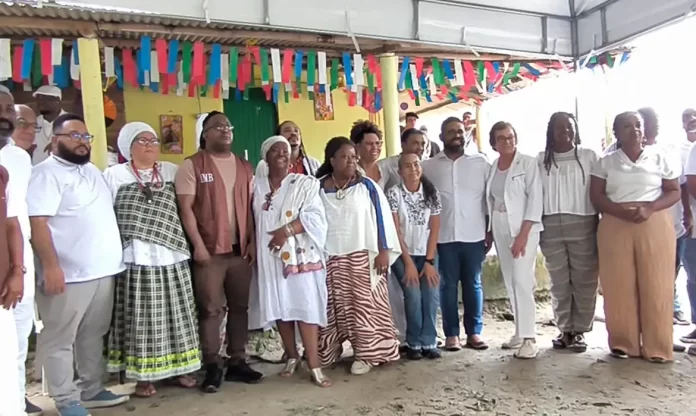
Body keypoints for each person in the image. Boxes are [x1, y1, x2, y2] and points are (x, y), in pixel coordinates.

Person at [27, 113, 129, 416]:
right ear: (55, 140)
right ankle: (65, 399)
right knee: (59, 338)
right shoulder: (45, 174)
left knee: (93, 334)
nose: (82, 142)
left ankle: (91, 389)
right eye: (74, 136)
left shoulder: (92, 171)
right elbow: (38, 223)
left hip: (102, 271)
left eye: (86, 137)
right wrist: (51, 267)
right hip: (68, 275)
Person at [104, 122, 201, 397]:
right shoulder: (114, 175)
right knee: (142, 316)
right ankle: (144, 376)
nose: (150, 145)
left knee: (178, 313)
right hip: (137, 257)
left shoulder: (171, 171)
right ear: (128, 146)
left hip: (172, 254)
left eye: (154, 140)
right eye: (143, 141)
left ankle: (182, 368)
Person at [175, 111, 261, 393]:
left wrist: (252, 241)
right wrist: (198, 245)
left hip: (240, 251)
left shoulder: (244, 166)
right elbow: (186, 208)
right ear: (205, 133)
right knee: (211, 309)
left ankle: (237, 360)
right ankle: (212, 364)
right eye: (217, 126)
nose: (225, 130)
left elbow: (251, 208)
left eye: (228, 126)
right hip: (210, 252)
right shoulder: (192, 165)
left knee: (240, 307)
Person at [590, 111, 680, 363]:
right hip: (615, 223)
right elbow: (596, 196)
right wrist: (618, 211)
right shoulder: (605, 162)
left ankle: (658, 346)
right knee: (618, 284)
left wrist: (650, 208)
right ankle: (623, 343)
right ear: (616, 133)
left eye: (638, 125)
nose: (635, 130)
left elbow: (673, 191)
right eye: (627, 126)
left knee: (657, 283)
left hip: (653, 221)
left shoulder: (660, 156)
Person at [316, 136, 401, 375]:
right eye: (345, 157)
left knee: (364, 307)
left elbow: (382, 220)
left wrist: (384, 251)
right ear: (332, 160)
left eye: (354, 157)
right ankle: (328, 352)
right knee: (332, 307)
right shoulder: (317, 188)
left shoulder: (367, 186)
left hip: (363, 257)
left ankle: (368, 354)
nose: (351, 161)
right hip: (330, 259)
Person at [252, 135, 331, 387]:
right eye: (275, 150)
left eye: (285, 150)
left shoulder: (304, 184)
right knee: (280, 306)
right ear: (265, 158)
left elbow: (316, 218)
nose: (282, 154)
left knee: (305, 306)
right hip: (269, 256)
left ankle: (314, 364)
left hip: (300, 257)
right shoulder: (256, 186)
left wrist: (284, 232)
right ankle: (292, 356)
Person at [422, 116, 492, 351]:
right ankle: (451, 335)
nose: (457, 135)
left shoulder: (480, 163)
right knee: (447, 286)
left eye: (460, 131)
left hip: (474, 234)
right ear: (441, 137)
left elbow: (489, 198)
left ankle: (474, 333)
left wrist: (490, 230)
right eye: (451, 131)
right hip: (443, 236)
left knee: (473, 284)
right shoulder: (429, 166)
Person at [537, 112, 600, 353]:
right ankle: (564, 329)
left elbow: (600, 187)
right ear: (551, 133)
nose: (566, 131)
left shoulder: (589, 156)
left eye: (570, 127)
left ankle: (580, 331)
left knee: (585, 279)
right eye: (560, 128)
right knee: (559, 281)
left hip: (583, 222)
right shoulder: (541, 159)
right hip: (550, 225)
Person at [486, 121, 543, 359]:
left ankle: (530, 338)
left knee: (522, 279)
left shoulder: (528, 163)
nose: (507, 141)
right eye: (501, 138)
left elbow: (535, 199)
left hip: (523, 227)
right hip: (500, 224)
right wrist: (490, 230)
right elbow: (491, 199)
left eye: (510, 137)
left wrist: (523, 234)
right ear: (494, 143)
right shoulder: (493, 166)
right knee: (510, 279)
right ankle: (520, 331)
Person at [1, 94, 42, 416]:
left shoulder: (18, 159)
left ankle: (16, 401)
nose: (6, 116)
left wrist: (18, 268)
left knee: (15, 344)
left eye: (8, 109)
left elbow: (14, 218)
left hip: (18, 259)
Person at [352, 120, 407, 347]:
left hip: (387, 235)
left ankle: (398, 335)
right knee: (366, 288)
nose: (374, 148)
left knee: (392, 286)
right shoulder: (352, 172)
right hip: (362, 236)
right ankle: (371, 337)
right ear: (357, 146)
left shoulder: (387, 171)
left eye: (378, 143)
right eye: (369, 143)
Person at [387, 152, 442, 360]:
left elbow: (434, 229)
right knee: (413, 294)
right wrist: (408, 263)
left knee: (431, 293)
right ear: (400, 171)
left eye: (416, 164)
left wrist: (429, 261)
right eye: (408, 166)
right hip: (403, 255)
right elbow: (396, 231)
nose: (413, 169)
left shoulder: (432, 193)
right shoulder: (393, 194)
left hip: (427, 253)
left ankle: (430, 341)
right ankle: (413, 342)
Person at [0, 161, 25, 416]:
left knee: (5, 364)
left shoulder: (1, 175)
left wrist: (18, 270)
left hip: (2, 289)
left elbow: (11, 224)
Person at [256, 121, 321, 177]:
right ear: (278, 137)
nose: (293, 133)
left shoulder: (314, 163)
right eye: (287, 130)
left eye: (296, 131)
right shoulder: (265, 165)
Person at [32, 85, 66, 166]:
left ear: (57, 100)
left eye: (45, 99)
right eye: (39, 100)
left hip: (62, 168)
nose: (41, 103)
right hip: (38, 167)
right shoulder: (34, 122)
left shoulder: (71, 121)